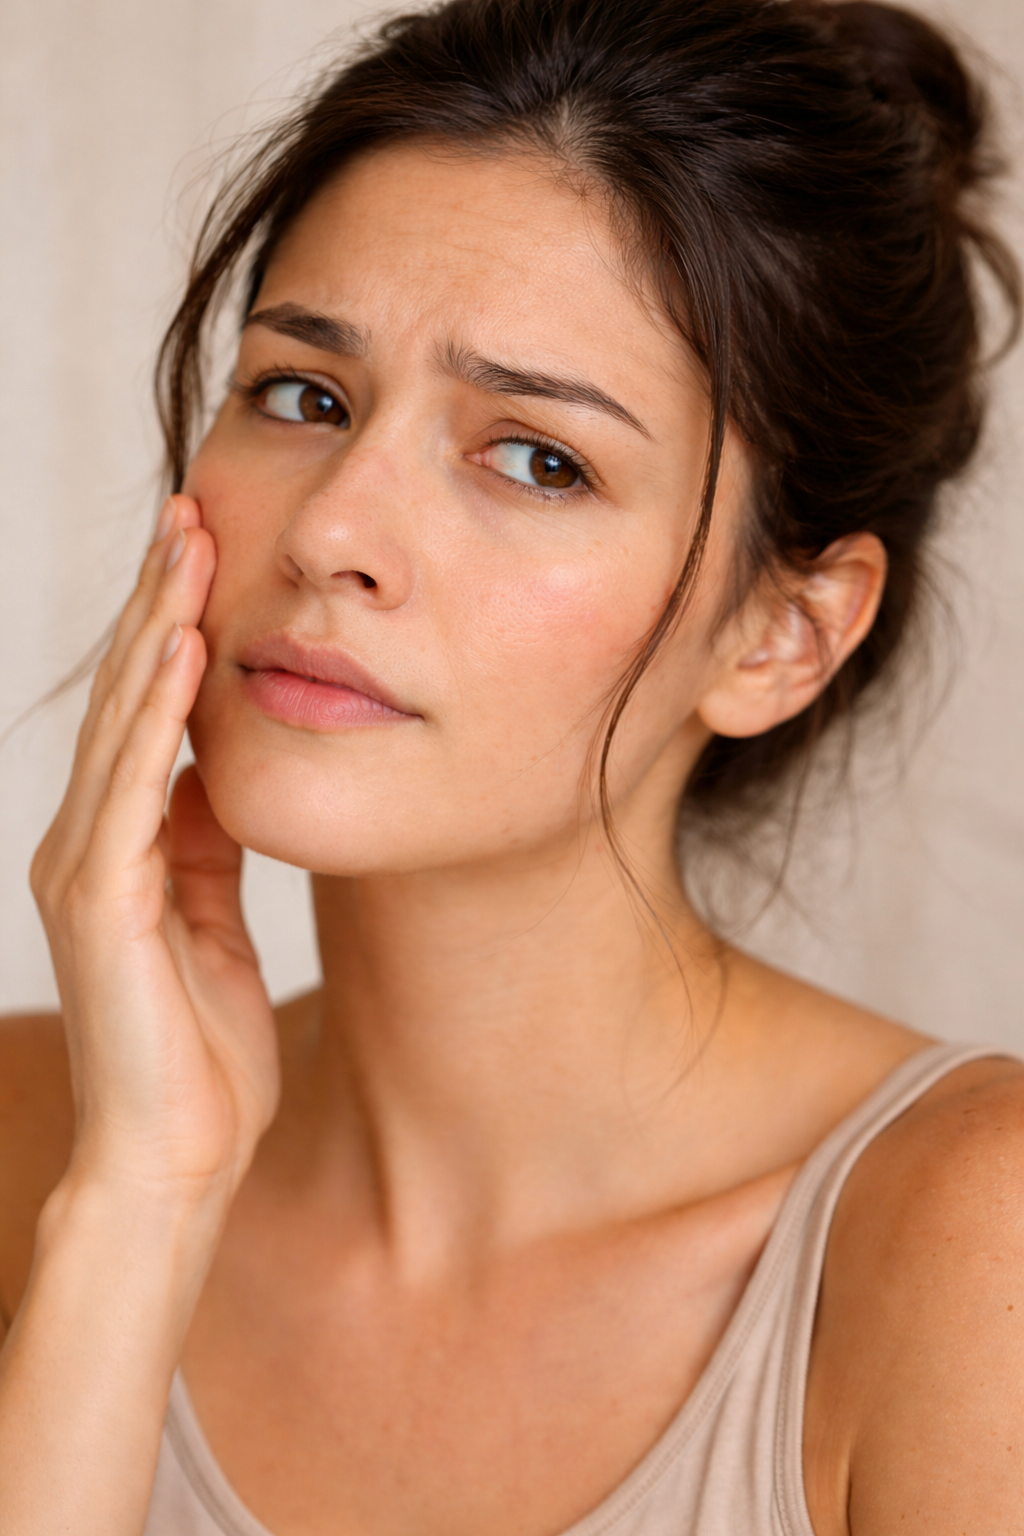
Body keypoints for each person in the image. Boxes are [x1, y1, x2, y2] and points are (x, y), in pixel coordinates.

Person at [1, 0, 1022, 1530]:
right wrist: (136, 1209)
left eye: (539, 458)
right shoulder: (37, 1141)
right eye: (302, 394)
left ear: (779, 634)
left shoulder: (971, 1243)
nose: (332, 532)